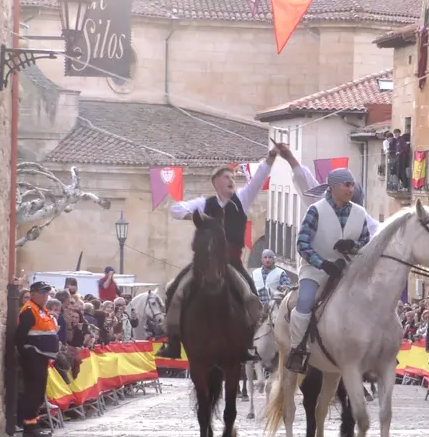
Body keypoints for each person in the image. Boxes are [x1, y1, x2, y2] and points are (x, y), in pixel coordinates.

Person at [157, 147, 279, 359]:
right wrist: (194, 217)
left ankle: (248, 344)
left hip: (232, 262)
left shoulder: (242, 198)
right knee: (173, 291)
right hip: (204, 263)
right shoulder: (204, 204)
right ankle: (173, 342)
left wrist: (270, 158)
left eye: (233, 177)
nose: (232, 180)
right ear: (216, 183)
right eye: (226, 177)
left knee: (251, 295)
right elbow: (175, 209)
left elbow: (259, 178)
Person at [286, 168, 375, 373]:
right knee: (305, 301)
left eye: (352, 185)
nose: (351, 189)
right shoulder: (316, 210)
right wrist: (322, 263)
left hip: (347, 269)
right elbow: (302, 243)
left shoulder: (359, 212)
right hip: (315, 269)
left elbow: (365, 241)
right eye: (347, 185)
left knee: (371, 300)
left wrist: (351, 246)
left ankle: (372, 350)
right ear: (334, 187)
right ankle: (298, 349)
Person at [14, 282, 59, 437]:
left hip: (41, 357)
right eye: (42, 293)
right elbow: (20, 337)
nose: (46, 296)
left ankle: (34, 425)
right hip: (33, 357)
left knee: (38, 393)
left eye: (47, 293)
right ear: (33, 293)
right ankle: (30, 428)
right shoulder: (29, 311)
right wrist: (29, 352)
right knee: (32, 393)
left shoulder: (41, 310)